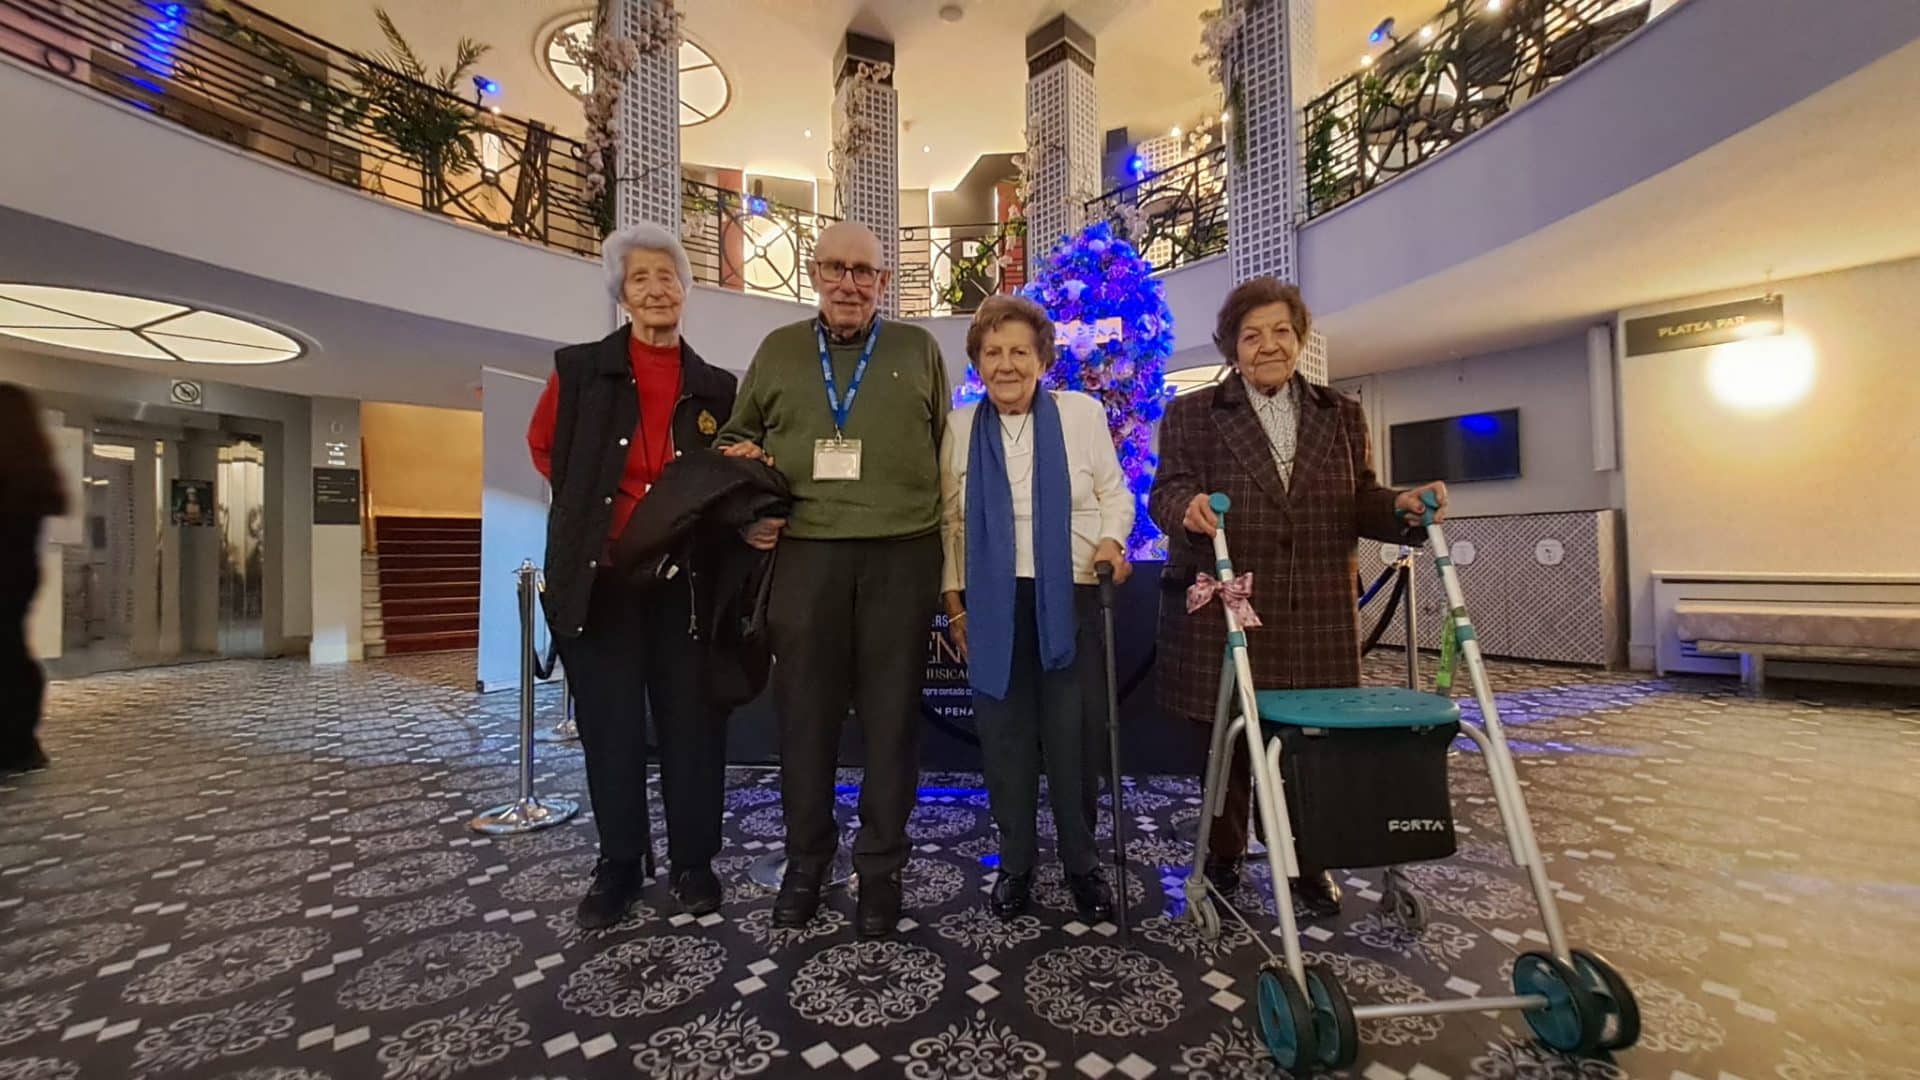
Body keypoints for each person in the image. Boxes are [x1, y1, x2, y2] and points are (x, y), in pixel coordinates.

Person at [1148, 276, 1447, 918]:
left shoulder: (1340, 414)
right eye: (1251, 336)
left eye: (1281, 331)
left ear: (1300, 338)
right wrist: (1187, 509)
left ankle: (1309, 857)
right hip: (1228, 606)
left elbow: (1361, 497)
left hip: (1316, 607)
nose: (1268, 346)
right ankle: (1225, 854)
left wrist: (1400, 507)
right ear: (1232, 348)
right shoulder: (1192, 414)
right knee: (1226, 742)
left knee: (1313, 740)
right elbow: (1165, 491)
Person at [717, 221, 950, 939]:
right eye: (835, 269)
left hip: (902, 554)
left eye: (864, 272)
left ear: (885, 282)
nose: (849, 284)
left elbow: (944, 447)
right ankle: (807, 863)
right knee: (805, 719)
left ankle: (880, 869)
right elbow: (733, 440)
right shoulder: (778, 350)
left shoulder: (917, 348)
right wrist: (749, 514)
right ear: (814, 274)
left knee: (891, 722)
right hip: (807, 554)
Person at [529, 223, 746, 929]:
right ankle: (620, 863)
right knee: (612, 728)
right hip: (600, 585)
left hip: (687, 586)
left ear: (685, 288)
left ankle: (693, 862)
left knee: (693, 727)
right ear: (621, 295)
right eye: (640, 278)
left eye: (667, 276)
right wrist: (601, 513)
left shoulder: (716, 388)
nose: (656, 289)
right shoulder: (579, 372)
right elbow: (544, 449)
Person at [938, 296, 1131, 923]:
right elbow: (948, 521)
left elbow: (1115, 495)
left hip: (1069, 594)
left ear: (1043, 359)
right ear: (978, 363)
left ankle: (1082, 863)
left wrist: (1113, 540)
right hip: (992, 602)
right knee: (1005, 742)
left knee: (1075, 739)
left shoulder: (1081, 414)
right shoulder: (960, 427)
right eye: (993, 352)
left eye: (1020, 351)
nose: (1007, 364)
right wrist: (955, 605)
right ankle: (1016, 863)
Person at [0, 385, 66, 775]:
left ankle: (16, 742)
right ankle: (20, 742)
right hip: (20, 573)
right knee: (11, 650)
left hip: (11, 572)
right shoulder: (33, 474)